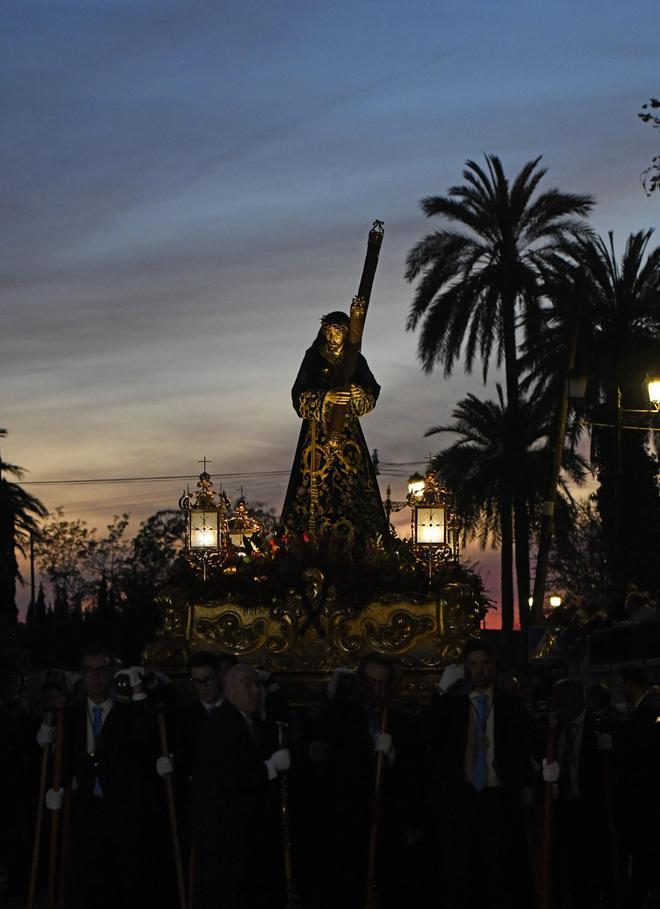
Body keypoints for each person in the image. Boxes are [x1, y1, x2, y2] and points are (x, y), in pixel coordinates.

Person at [42, 646, 157, 909]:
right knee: (84, 879)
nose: (95, 677)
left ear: (111, 673)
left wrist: (139, 693)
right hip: (83, 808)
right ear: (83, 675)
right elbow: (62, 759)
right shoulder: (69, 715)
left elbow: (144, 742)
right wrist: (54, 784)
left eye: (101, 670)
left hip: (121, 809)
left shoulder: (127, 714)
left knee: (121, 879)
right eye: (89, 671)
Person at [424, 638, 535, 909]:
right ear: (465, 668)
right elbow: (427, 733)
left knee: (499, 870)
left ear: (493, 666)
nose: (479, 670)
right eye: (472, 664)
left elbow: (525, 745)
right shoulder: (452, 704)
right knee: (461, 870)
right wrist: (441, 690)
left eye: (484, 663)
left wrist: (528, 781)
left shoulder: (510, 704)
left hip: (498, 795)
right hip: (461, 796)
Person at [280, 310, 388, 540]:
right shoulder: (313, 357)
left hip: (348, 433)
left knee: (351, 481)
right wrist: (325, 397)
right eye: (327, 332)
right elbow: (297, 394)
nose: (331, 337)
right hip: (317, 433)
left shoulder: (355, 359)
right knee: (315, 484)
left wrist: (358, 394)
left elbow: (371, 393)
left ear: (345, 333)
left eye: (336, 332)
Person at [190, 663, 290, 909]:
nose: (255, 691)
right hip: (229, 839)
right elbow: (227, 775)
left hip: (245, 836)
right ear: (230, 689)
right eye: (248, 685)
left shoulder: (246, 722)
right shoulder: (222, 725)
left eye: (257, 684)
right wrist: (270, 768)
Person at [542, 678, 617, 908]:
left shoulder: (599, 727)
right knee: (564, 864)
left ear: (575, 700)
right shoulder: (553, 729)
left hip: (589, 808)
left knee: (588, 865)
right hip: (563, 807)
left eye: (560, 701)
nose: (555, 706)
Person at [613, 664, 660, 908]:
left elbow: (640, 751)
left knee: (643, 849)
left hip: (643, 795)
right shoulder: (648, 709)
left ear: (631, 683)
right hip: (645, 794)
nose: (622, 689)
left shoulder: (647, 712)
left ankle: (640, 894)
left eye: (623, 684)